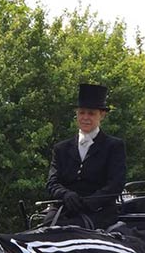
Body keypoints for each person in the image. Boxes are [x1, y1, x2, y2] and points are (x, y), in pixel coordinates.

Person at [45, 83, 126, 229]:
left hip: (98, 210)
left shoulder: (114, 146)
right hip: (64, 208)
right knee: (46, 231)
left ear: (102, 115)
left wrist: (89, 202)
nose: (85, 117)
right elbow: (52, 182)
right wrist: (65, 195)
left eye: (91, 113)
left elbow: (115, 184)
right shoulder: (61, 149)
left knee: (75, 230)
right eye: (82, 113)